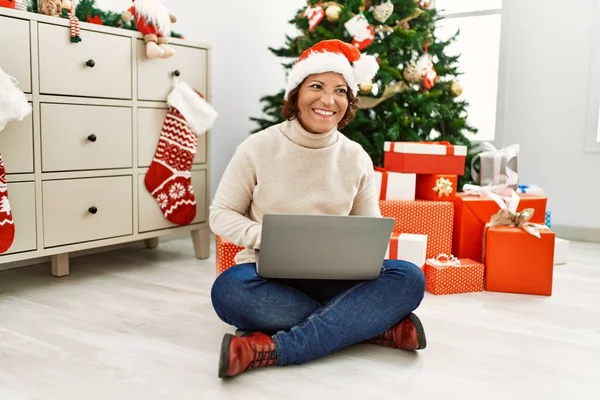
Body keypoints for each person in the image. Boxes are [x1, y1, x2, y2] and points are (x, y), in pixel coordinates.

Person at [209, 39, 426, 379]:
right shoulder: (257, 147)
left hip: (337, 280)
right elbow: (220, 213)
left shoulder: (355, 157)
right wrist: (265, 236)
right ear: (295, 93)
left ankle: (272, 349)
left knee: (409, 277)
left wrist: (360, 253)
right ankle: (371, 327)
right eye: (316, 86)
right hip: (267, 277)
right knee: (228, 291)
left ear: (349, 101)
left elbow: (370, 233)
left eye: (340, 91)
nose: (328, 100)